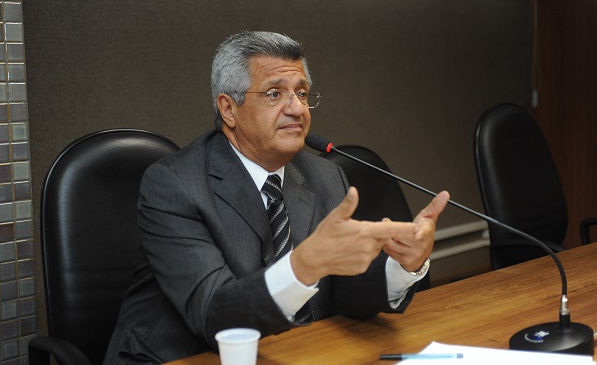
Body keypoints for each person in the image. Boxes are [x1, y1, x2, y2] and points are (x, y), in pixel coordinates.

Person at [104, 31, 449, 364]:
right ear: (229, 109)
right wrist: (303, 265)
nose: (297, 109)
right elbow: (214, 314)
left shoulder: (325, 176)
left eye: (302, 93)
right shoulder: (174, 184)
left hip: (292, 354)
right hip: (184, 356)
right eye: (274, 94)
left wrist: (403, 264)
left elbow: (342, 291)